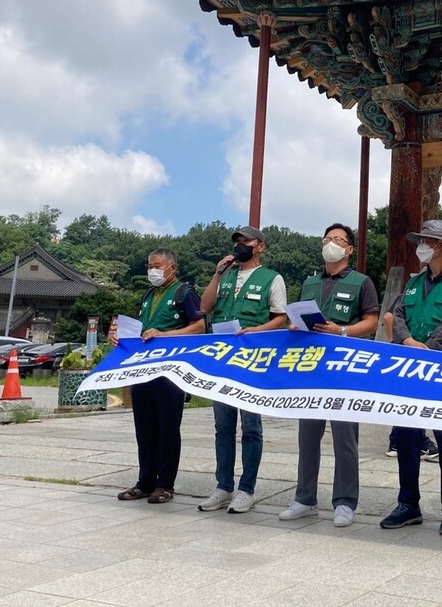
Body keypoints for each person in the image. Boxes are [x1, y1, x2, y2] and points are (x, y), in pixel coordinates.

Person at [278, 224, 379, 527]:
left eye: (338, 240)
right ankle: (305, 498)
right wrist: (295, 326)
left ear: (349, 249)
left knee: (344, 438)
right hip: (310, 368)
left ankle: (345, 502)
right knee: (307, 437)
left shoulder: (362, 282)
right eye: (327, 239)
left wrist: (342, 330)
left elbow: (372, 322)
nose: (330, 244)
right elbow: (293, 316)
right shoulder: (310, 282)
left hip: (342, 369)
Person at [380, 219, 442, 537]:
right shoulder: (414, 282)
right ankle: (408, 504)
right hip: (411, 371)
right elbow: (398, 314)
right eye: (421, 239)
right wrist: (407, 342)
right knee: (407, 438)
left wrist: (428, 350)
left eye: (428, 240)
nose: (422, 245)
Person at [198, 225, 287, 515]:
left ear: (260, 246)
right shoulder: (226, 276)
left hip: (252, 360)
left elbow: (280, 319)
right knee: (223, 426)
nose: (240, 245)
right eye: (237, 241)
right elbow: (205, 307)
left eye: (245, 241)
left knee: (250, 427)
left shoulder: (272, 278)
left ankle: (246, 489)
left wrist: (256, 330)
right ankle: (223, 487)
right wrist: (217, 273)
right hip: (222, 359)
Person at [116, 249, 205, 504]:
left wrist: (165, 335)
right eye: (149, 265)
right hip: (144, 369)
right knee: (144, 427)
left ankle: (165, 484)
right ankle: (145, 481)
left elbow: (199, 327)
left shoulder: (184, 293)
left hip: (171, 370)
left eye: (157, 265)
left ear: (172, 268)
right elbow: (142, 330)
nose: (152, 270)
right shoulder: (148, 295)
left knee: (167, 428)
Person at [382, 310, 439, 463]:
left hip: (406, 353)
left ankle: (397, 442)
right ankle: (412, 442)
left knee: (408, 401)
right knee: (413, 401)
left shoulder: (409, 295)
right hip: (411, 353)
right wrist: (395, 342)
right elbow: (388, 317)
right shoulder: (409, 295)